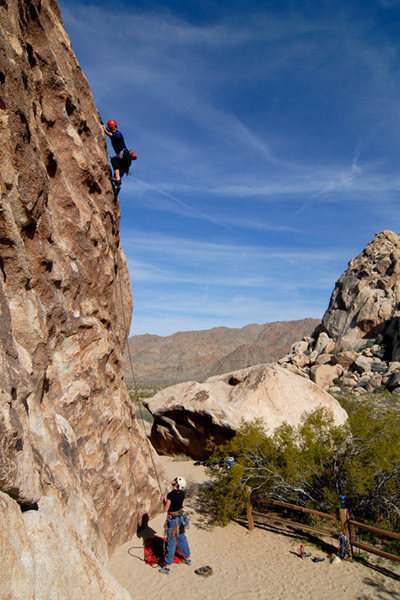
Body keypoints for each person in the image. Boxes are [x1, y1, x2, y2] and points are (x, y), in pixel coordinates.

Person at [159, 476, 191, 575]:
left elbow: (166, 509)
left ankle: (167, 566)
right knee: (181, 537)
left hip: (173, 520)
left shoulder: (171, 495)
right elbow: (183, 505)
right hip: (181, 519)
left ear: (176, 484)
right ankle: (187, 558)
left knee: (171, 541)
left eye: (175, 479)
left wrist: (163, 502)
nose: (173, 479)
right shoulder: (182, 493)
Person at [103, 119, 137, 192]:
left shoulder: (118, 134)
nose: (114, 129)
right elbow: (111, 135)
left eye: (115, 128)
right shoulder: (113, 136)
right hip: (126, 161)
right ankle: (117, 187)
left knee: (113, 160)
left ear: (116, 127)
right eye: (112, 128)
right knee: (117, 173)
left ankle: (117, 179)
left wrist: (106, 131)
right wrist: (104, 128)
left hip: (125, 155)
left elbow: (114, 136)